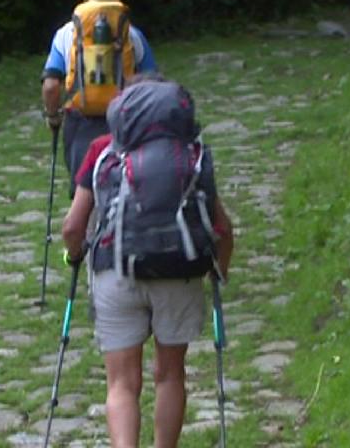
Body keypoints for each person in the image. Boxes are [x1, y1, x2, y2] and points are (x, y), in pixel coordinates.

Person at [61, 76, 234, 448]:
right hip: (180, 270)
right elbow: (222, 227)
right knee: (170, 374)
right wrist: (219, 270)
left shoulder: (101, 149)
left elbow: (73, 226)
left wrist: (75, 255)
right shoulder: (191, 154)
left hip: (116, 268)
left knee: (122, 383)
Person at [41, 0, 158, 197]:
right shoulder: (132, 35)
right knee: (126, 187)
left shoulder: (65, 34)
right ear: (118, 1)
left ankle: (86, 228)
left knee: (84, 193)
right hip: (124, 118)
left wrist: (53, 117)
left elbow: (50, 86)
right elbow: (152, 82)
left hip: (80, 120)